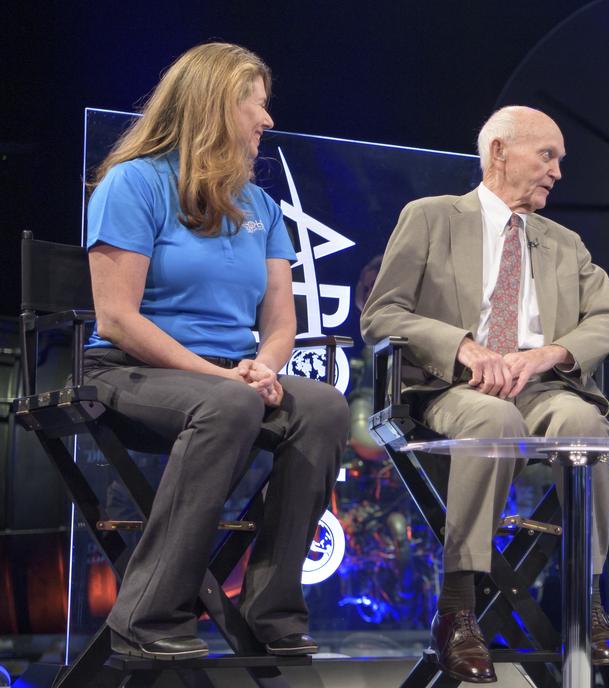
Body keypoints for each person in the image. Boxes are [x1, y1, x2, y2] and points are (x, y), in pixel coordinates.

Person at [84, 43, 347, 660]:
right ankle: (145, 614)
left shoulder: (260, 206)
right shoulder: (134, 183)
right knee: (229, 406)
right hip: (129, 371)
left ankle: (272, 611)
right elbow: (117, 319)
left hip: (227, 379)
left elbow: (281, 320)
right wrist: (225, 379)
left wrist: (264, 367)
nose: (267, 120)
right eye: (257, 104)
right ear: (216, 106)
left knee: (325, 409)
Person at [360, 105, 609, 683]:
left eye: (560, 160)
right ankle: (457, 609)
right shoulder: (432, 217)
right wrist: (462, 346)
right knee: (492, 419)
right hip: (455, 388)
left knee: (586, 429)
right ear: (499, 152)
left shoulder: (565, 242)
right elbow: (382, 314)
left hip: (540, 387)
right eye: (548, 155)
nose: (557, 172)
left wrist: (547, 354)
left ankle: (588, 602)